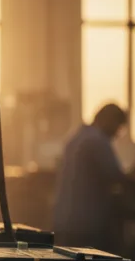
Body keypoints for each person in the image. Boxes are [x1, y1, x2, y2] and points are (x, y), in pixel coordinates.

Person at [53, 103, 128, 250]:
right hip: (85, 225)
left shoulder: (77, 136)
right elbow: (116, 175)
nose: (117, 133)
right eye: (118, 126)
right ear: (109, 119)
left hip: (64, 221)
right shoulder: (97, 140)